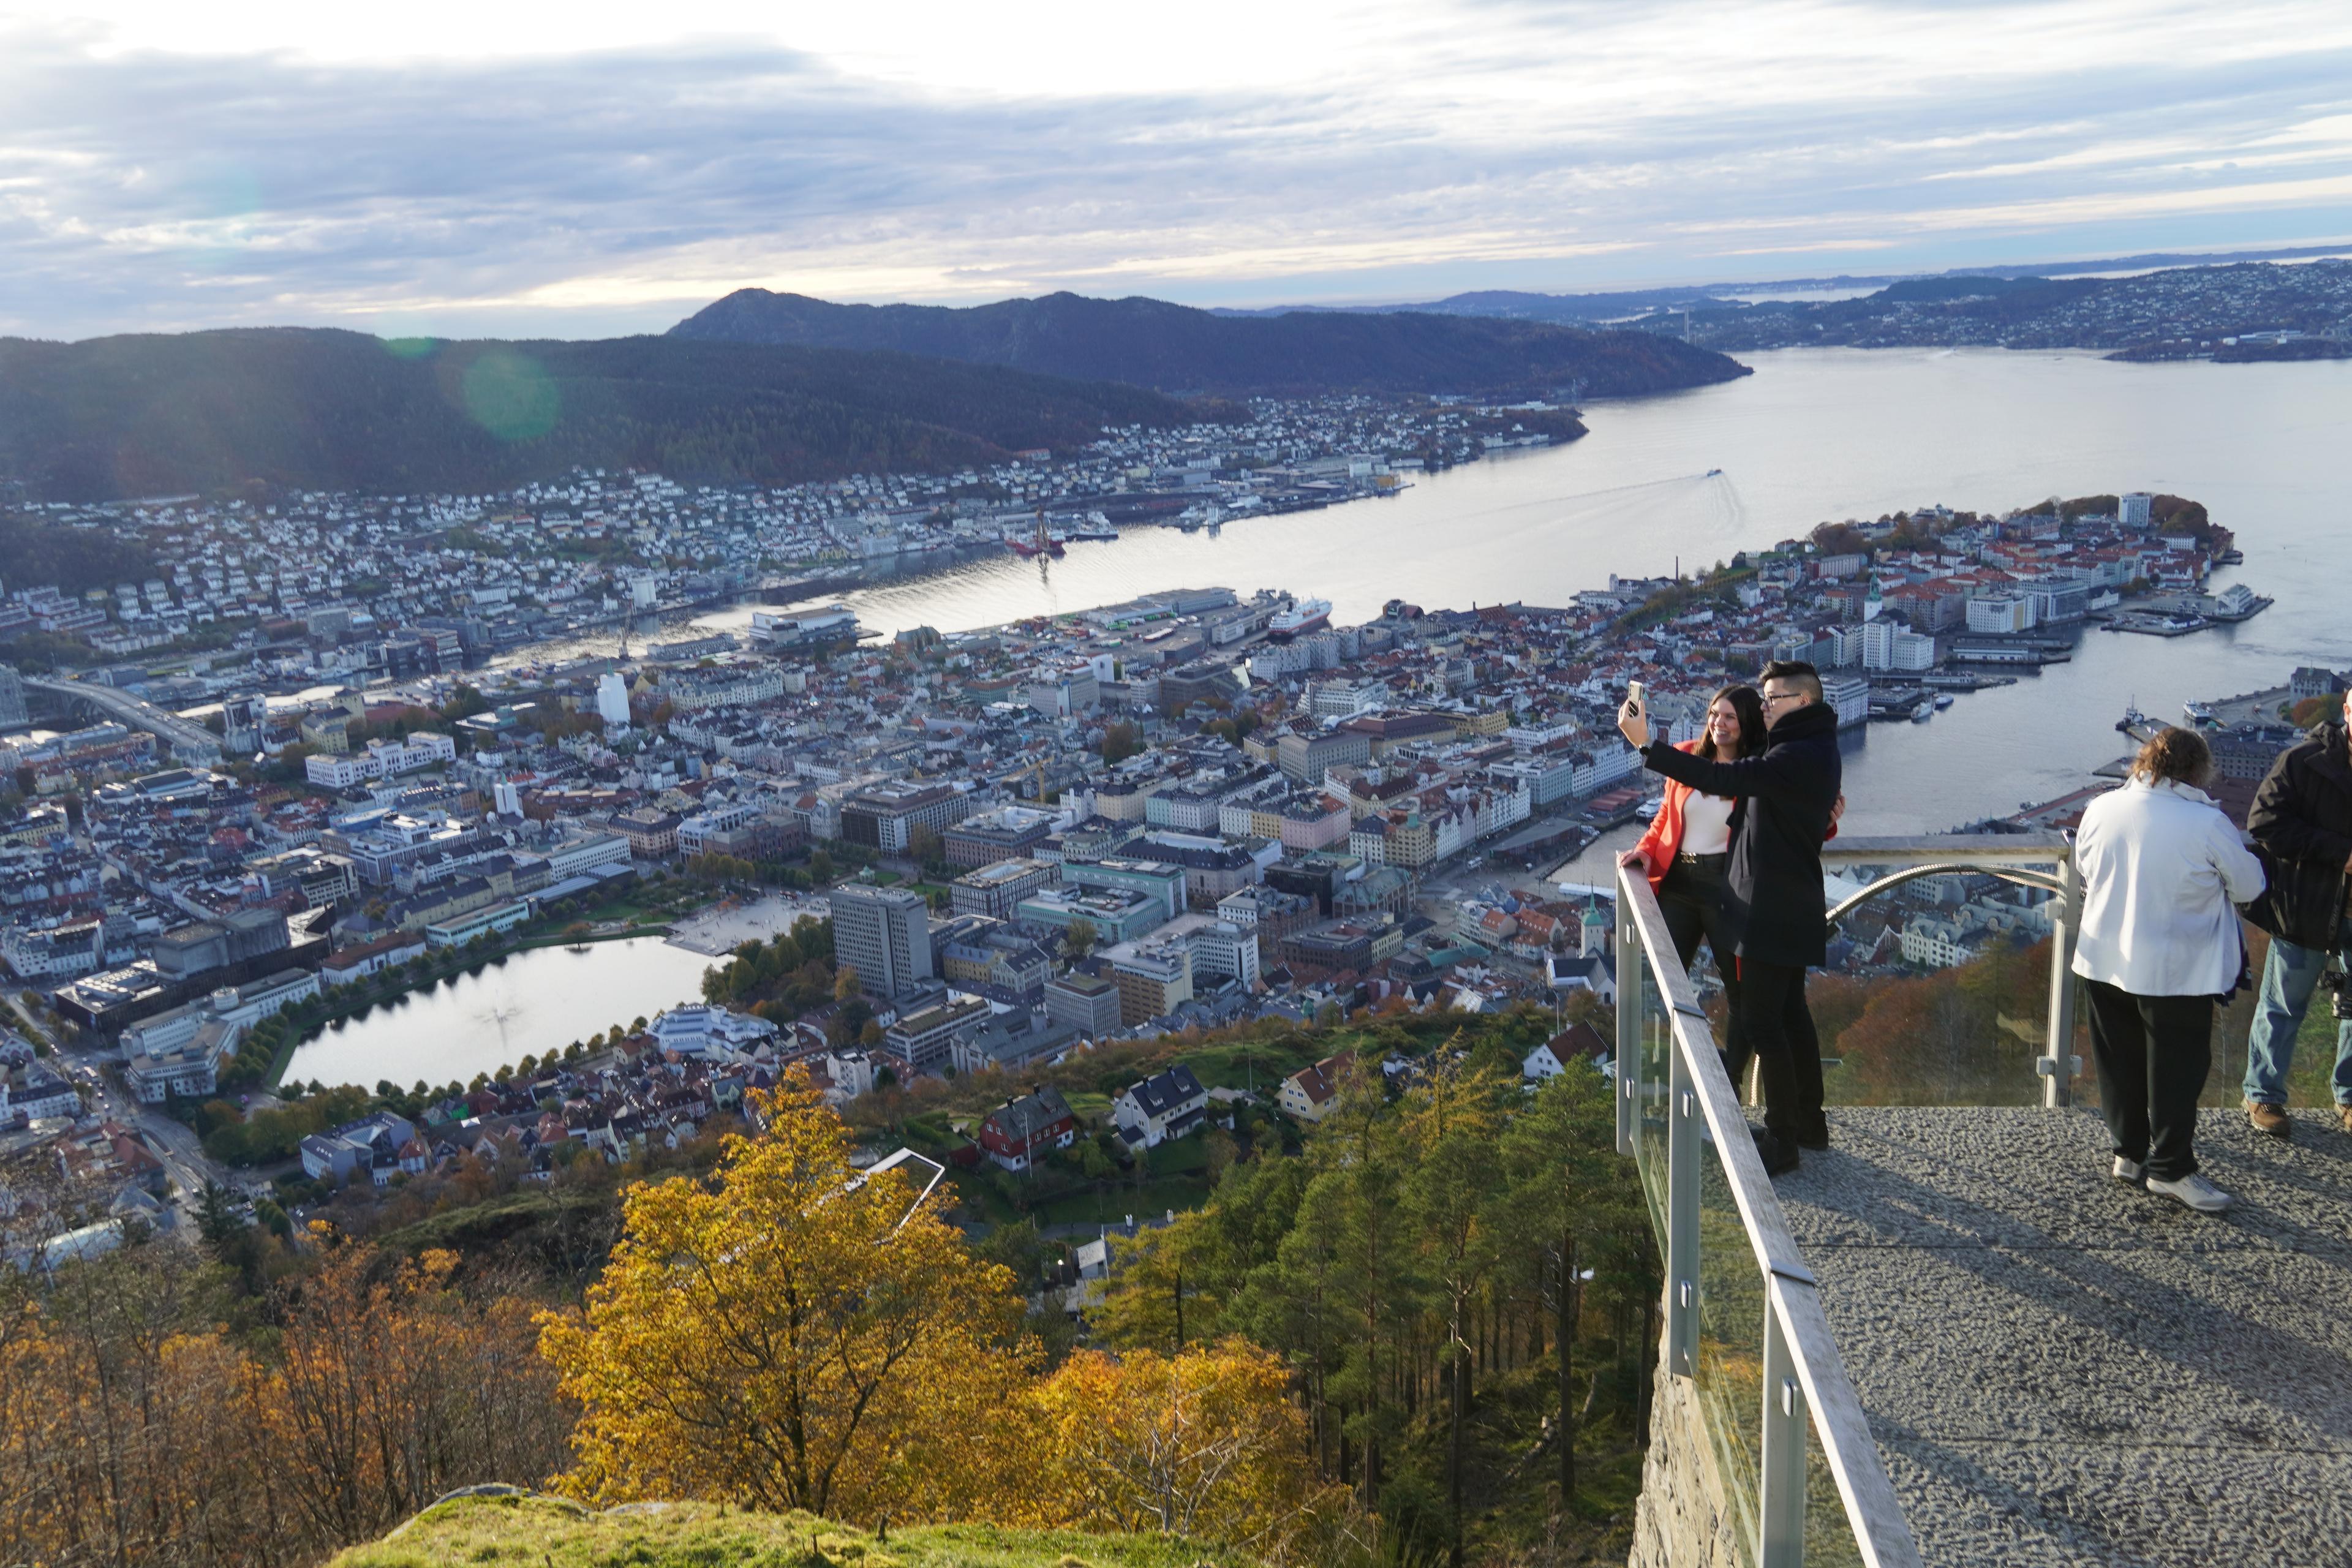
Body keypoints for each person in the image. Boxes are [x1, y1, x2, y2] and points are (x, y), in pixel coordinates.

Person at [1619, 660, 1841, 1173]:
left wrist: (1644, 746)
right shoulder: (1811, 749)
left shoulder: (1792, 756)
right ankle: (1807, 1123)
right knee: (1789, 1018)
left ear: (1801, 703)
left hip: (1766, 904)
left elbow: (1723, 779)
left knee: (1765, 1021)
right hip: (1783, 901)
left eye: (1771, 701)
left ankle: (1784, 1139)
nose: (1764, 709)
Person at [2070, 726, 2266, 1214]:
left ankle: (2130, 1155)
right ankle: (2172, 1169)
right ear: (2199, 770)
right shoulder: (2205, 824)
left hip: (2104, 958)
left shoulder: (2101, 809)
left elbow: (2087, 871)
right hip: (2176, 969)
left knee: (2120, 1062)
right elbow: (2247, 887)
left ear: (2144, 764)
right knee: (2176, 1070)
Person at [2238, 694, 2352, 1137]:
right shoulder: (2303, 761)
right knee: (2283, 1005)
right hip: (2308, 905)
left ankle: (2348, 1097)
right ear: (2346, 713)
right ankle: (2262, 1094)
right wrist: (2340, 854)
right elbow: (2264, 822)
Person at [1623, 685, 1771, 982]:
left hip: (1726, 883)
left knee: (1736, 982)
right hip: (1678, 882)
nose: (1719, 723)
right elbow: (1666, 816)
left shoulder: (1757, 771)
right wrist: (1646, 849)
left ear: (1749, 722)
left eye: (1730, 717)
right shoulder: (1686, 755)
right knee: (1662, 977)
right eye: (1715, 714)